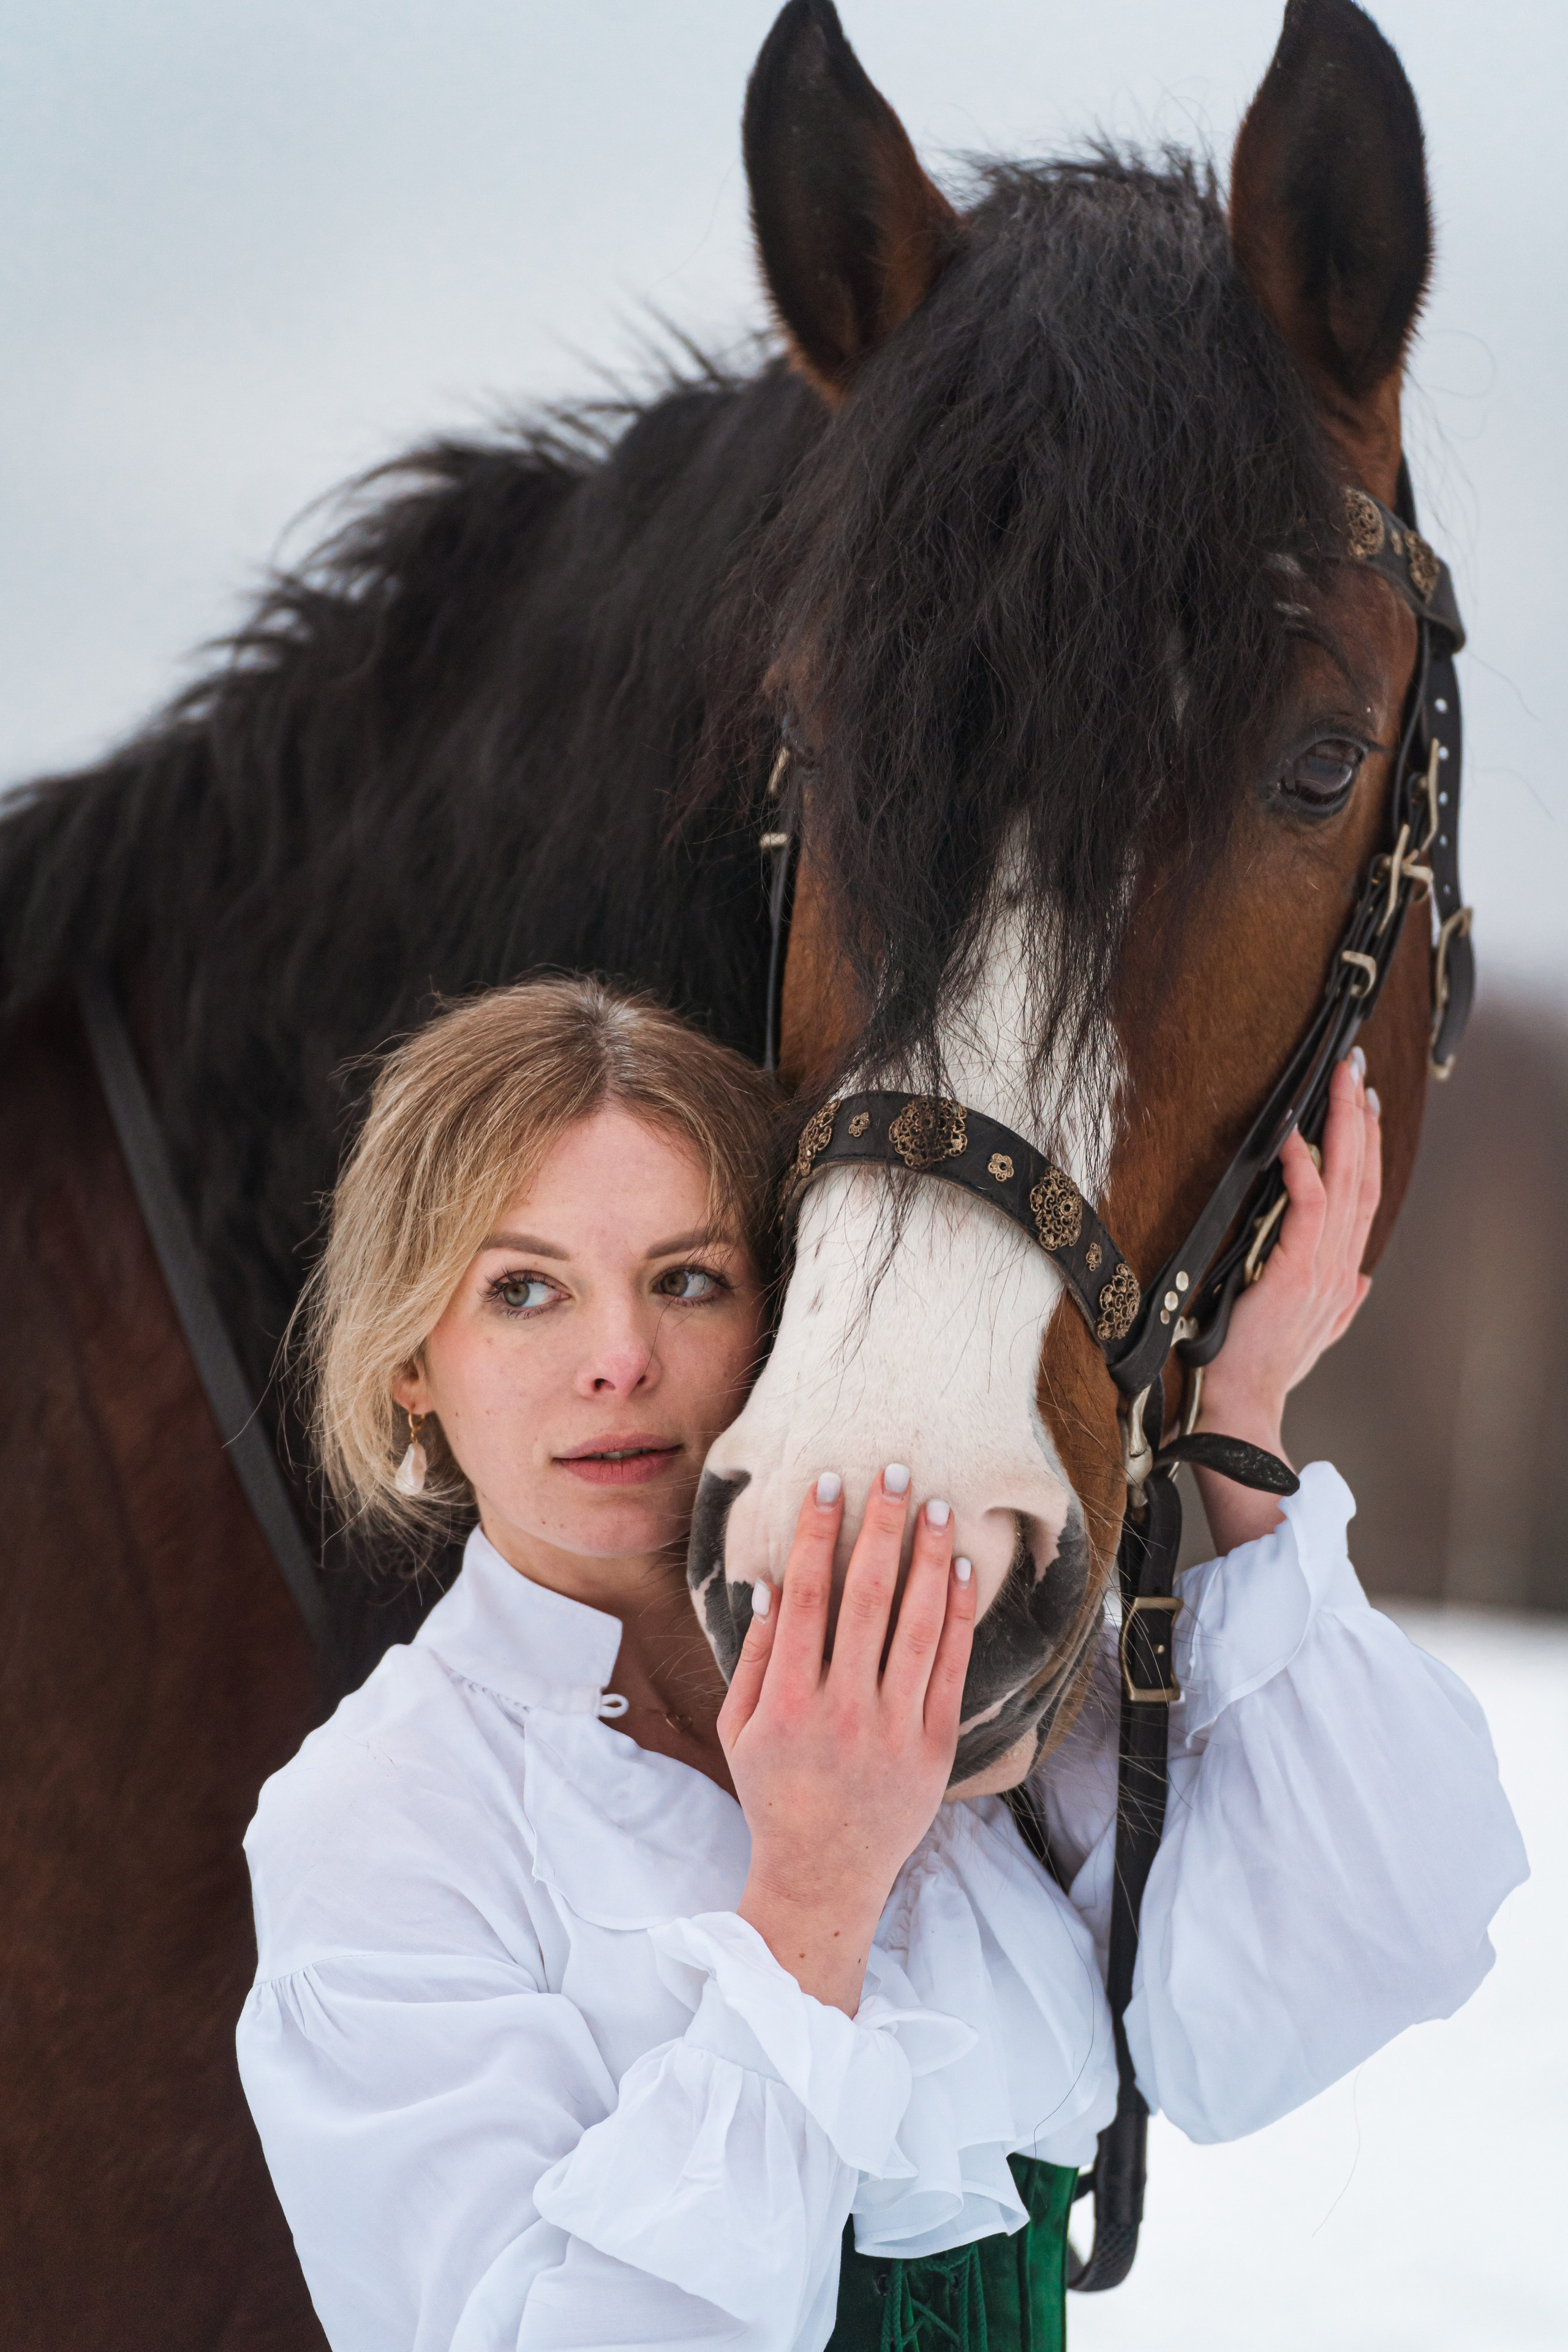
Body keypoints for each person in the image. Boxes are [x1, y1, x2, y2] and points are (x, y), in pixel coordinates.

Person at [237, 976, 1526, 2352]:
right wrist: (808, 1900)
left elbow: (1324, 1975)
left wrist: (1240, 1426)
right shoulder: (385, 1821)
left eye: (687, 1280)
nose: (618, 1359)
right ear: (411, 1360)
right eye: (523, 1290)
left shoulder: (937, 1664)